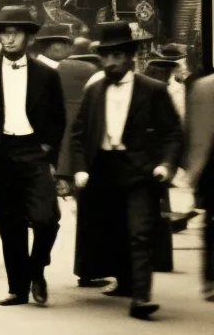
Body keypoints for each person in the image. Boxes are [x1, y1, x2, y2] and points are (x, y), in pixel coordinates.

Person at [64, 22, 183, 320]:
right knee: (112, 230)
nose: (112, 62)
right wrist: (78, 167)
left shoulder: (153, 90)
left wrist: (166, 164)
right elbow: (78, 133)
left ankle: (141, 297)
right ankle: (125, 281)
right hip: (102, 171)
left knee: (140, 232)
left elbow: (172, 133)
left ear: (130, 56)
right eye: (107, 56)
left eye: (118, 55)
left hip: (139, 171)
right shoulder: (94, 91)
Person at [0, 5, 67, 308]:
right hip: (1, 154)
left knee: (45, 218)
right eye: (4, 34)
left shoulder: (47, 74)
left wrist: (47, 148)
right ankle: (18, 288)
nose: (9, 40)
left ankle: (36, 270)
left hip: (34, 151)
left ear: (29, 37)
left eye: (16, 34)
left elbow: (58, 117)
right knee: (9, 224)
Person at [183, 67, 214, 301]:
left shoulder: (202, 86)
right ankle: (211, 279)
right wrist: (193, 171)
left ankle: (210, 280)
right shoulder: (205, 87)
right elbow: (195, 134)